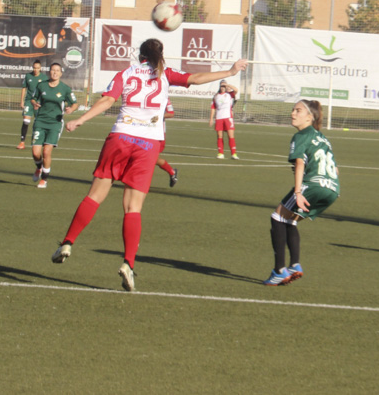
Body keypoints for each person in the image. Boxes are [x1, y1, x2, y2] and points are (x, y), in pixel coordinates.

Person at [52, 38, 247, 291]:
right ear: (159, 55)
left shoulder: (126, 72)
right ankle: (128, 264)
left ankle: (68, 242)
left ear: (139, 56)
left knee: (95, 195)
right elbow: (195, 78)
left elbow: (108, 100)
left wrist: (81, 120)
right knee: (133, 207)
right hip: (148, 144)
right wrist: (230, 72)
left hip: (121, 136)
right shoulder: (165, 74)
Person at [263, 99, 340, 286]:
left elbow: (299, 163)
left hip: (312, 186)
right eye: (293, 110)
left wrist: (298, 191)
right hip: (332, 189)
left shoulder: (301, 136)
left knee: (277, 217)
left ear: (309, 117)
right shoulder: (322, 138)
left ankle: (280, 270)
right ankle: (295, 265)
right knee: (290, 220)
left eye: (298, 110)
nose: (293, 113)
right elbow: (335, 170)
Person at [29, 62, 79, 189]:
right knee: (35, 153)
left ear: (61, 73)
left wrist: (71, 109)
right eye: (52, 70)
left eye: (57, 70)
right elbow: (33, 98)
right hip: (40, 121)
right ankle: (39, 168)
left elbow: (74, 103)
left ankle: (44, 180)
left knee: (46, 152)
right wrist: (34, 103)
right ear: (49, 72)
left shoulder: (65, 89)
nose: (55, 72)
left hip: (55, 123)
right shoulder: (42, 85)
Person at [16, 60, 45, 150]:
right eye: (34, 68)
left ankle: (37, 142)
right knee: (26, 121)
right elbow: (24, 88)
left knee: (38, 123)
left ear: (40, 68)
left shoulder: (44, 78)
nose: (36, 70)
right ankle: (22, 142)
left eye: (37, 68)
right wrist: (22, 101)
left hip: (38, 103)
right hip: (28, 101)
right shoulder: (28, 76)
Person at [210, 81, 239, 159]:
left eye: (224, 86)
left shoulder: (229, 94)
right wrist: (211, 119)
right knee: (219, 136)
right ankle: (220, 153)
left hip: (228, 117)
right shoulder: (216, 96)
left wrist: (227, 85)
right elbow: (213, 108)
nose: (223, 87)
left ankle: (234, 154)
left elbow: (236, 90)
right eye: (221, 86)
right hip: (219, 118)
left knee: (231, 136)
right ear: (219, 86)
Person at [155, 100, 179, 187]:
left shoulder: (165, 99)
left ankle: (172, 172)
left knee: (152, 158)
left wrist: (156, 116)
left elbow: (171, 113)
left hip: (158, 134)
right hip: (142, 131)